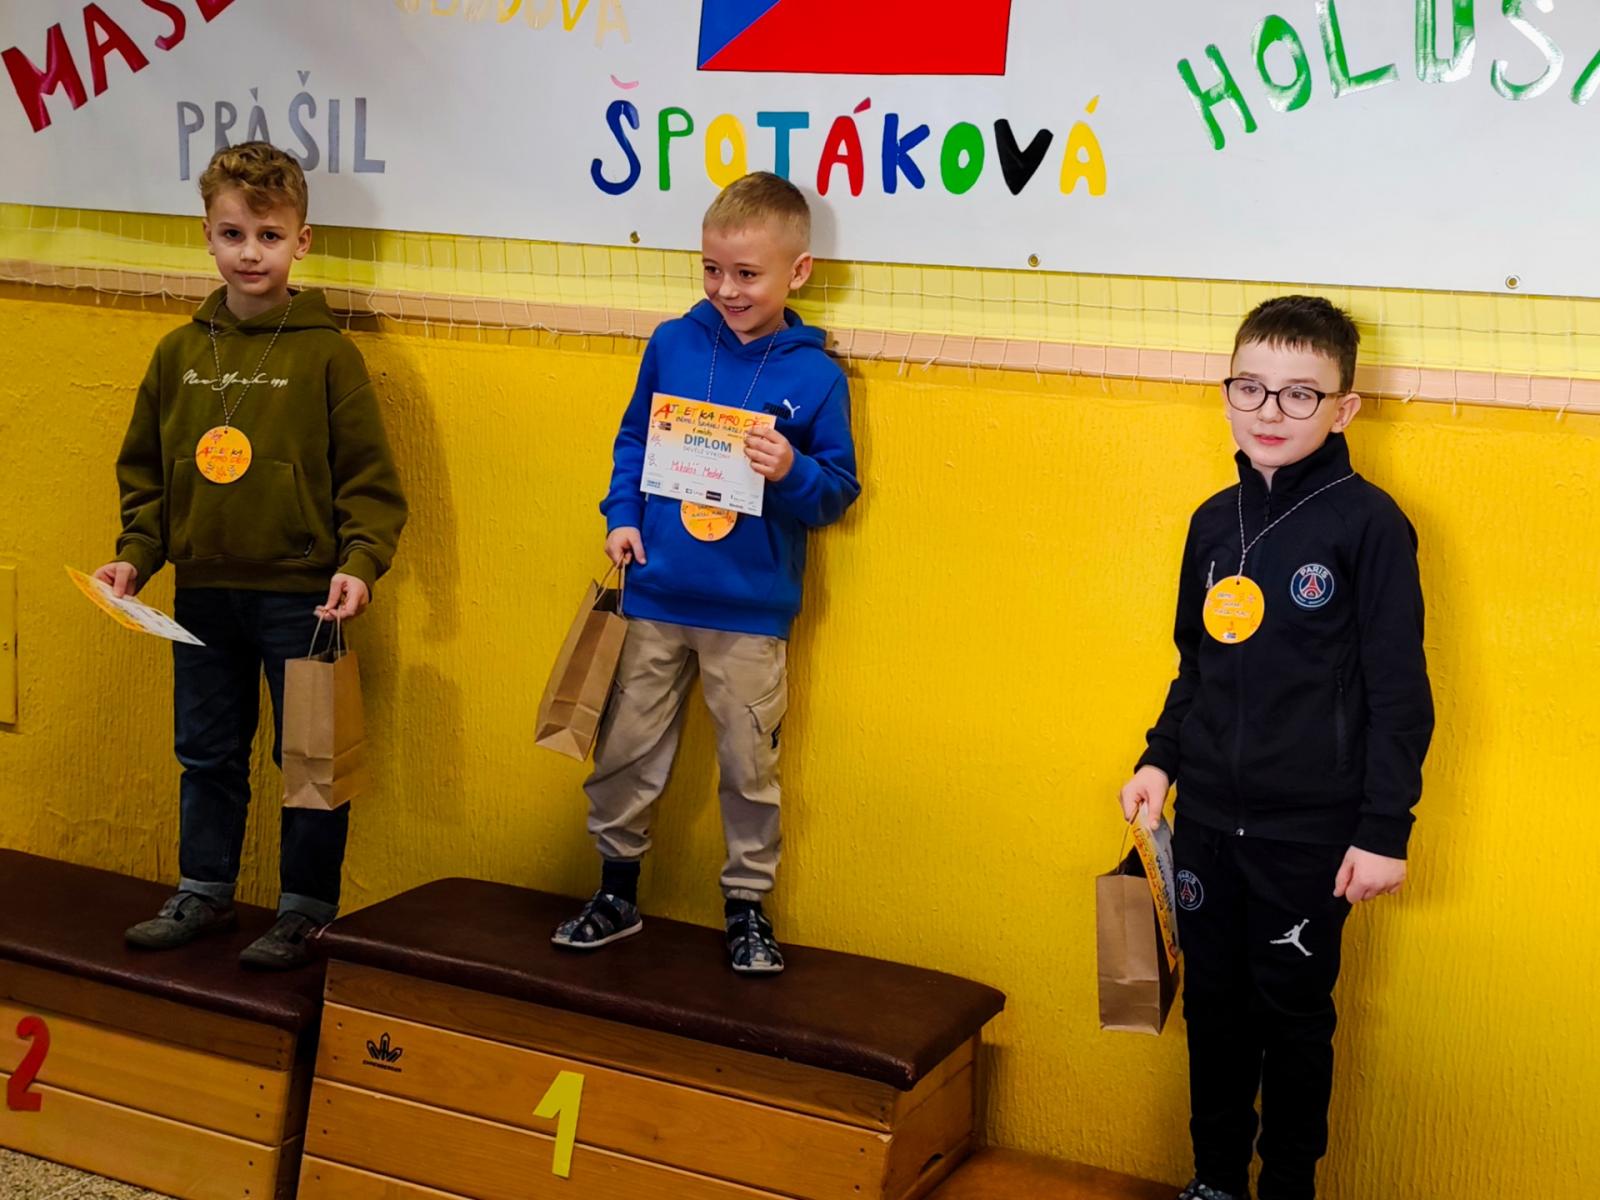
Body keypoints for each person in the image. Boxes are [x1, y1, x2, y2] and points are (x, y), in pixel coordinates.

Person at [1119, 296, 1433, 1199]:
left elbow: (1400, 694)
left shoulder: (1369, 524)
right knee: (1214, 1011)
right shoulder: (1212, 522)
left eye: (1300, 394)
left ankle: (1287, 1188)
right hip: (1208, 824)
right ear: (1226, 391)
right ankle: (1215, 1179)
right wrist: (1160, 760)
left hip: (1311, 836)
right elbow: (1196, 664)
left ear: (1345, 407)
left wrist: (1384, 830)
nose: (1269, 411)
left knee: (1293, 1020)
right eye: (1249, 387)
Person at [98, 141, 406, 969]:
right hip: (203, 593)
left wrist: (359, 562)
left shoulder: (329, 354)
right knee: (206, 752)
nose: (250, 253)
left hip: (304, 598)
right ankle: (203, 891)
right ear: (206, 235)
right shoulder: (177, 354)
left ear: (301, 241)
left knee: (311, 758)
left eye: (269, 236)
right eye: (233, 234)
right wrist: (135, 556)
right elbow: (146, 472)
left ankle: (306, 910)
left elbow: (370, 480)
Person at [552, 171, 860, 975]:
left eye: (747, 273)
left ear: (798, 272)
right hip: (654, 593)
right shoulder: (674, 343)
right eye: (712, 269)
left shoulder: (817, 378)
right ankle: (616, 891)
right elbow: (634, 440)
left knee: (749, 768)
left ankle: (747, 908)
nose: (726, 289)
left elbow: (835, 494)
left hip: (750, 612)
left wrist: (791, 469)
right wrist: (621, 515)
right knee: (625, 748)